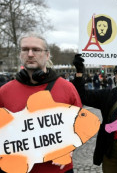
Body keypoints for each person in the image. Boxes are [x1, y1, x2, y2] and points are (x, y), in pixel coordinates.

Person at [0, 32, 82, 173]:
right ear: (20, 54)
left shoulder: (67, 88)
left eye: (36, 49)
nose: (30, 54)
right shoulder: (4, 91)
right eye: (25, 49)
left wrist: (70, 147)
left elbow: (80, 124)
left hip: (58, 170)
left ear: (47, 55)